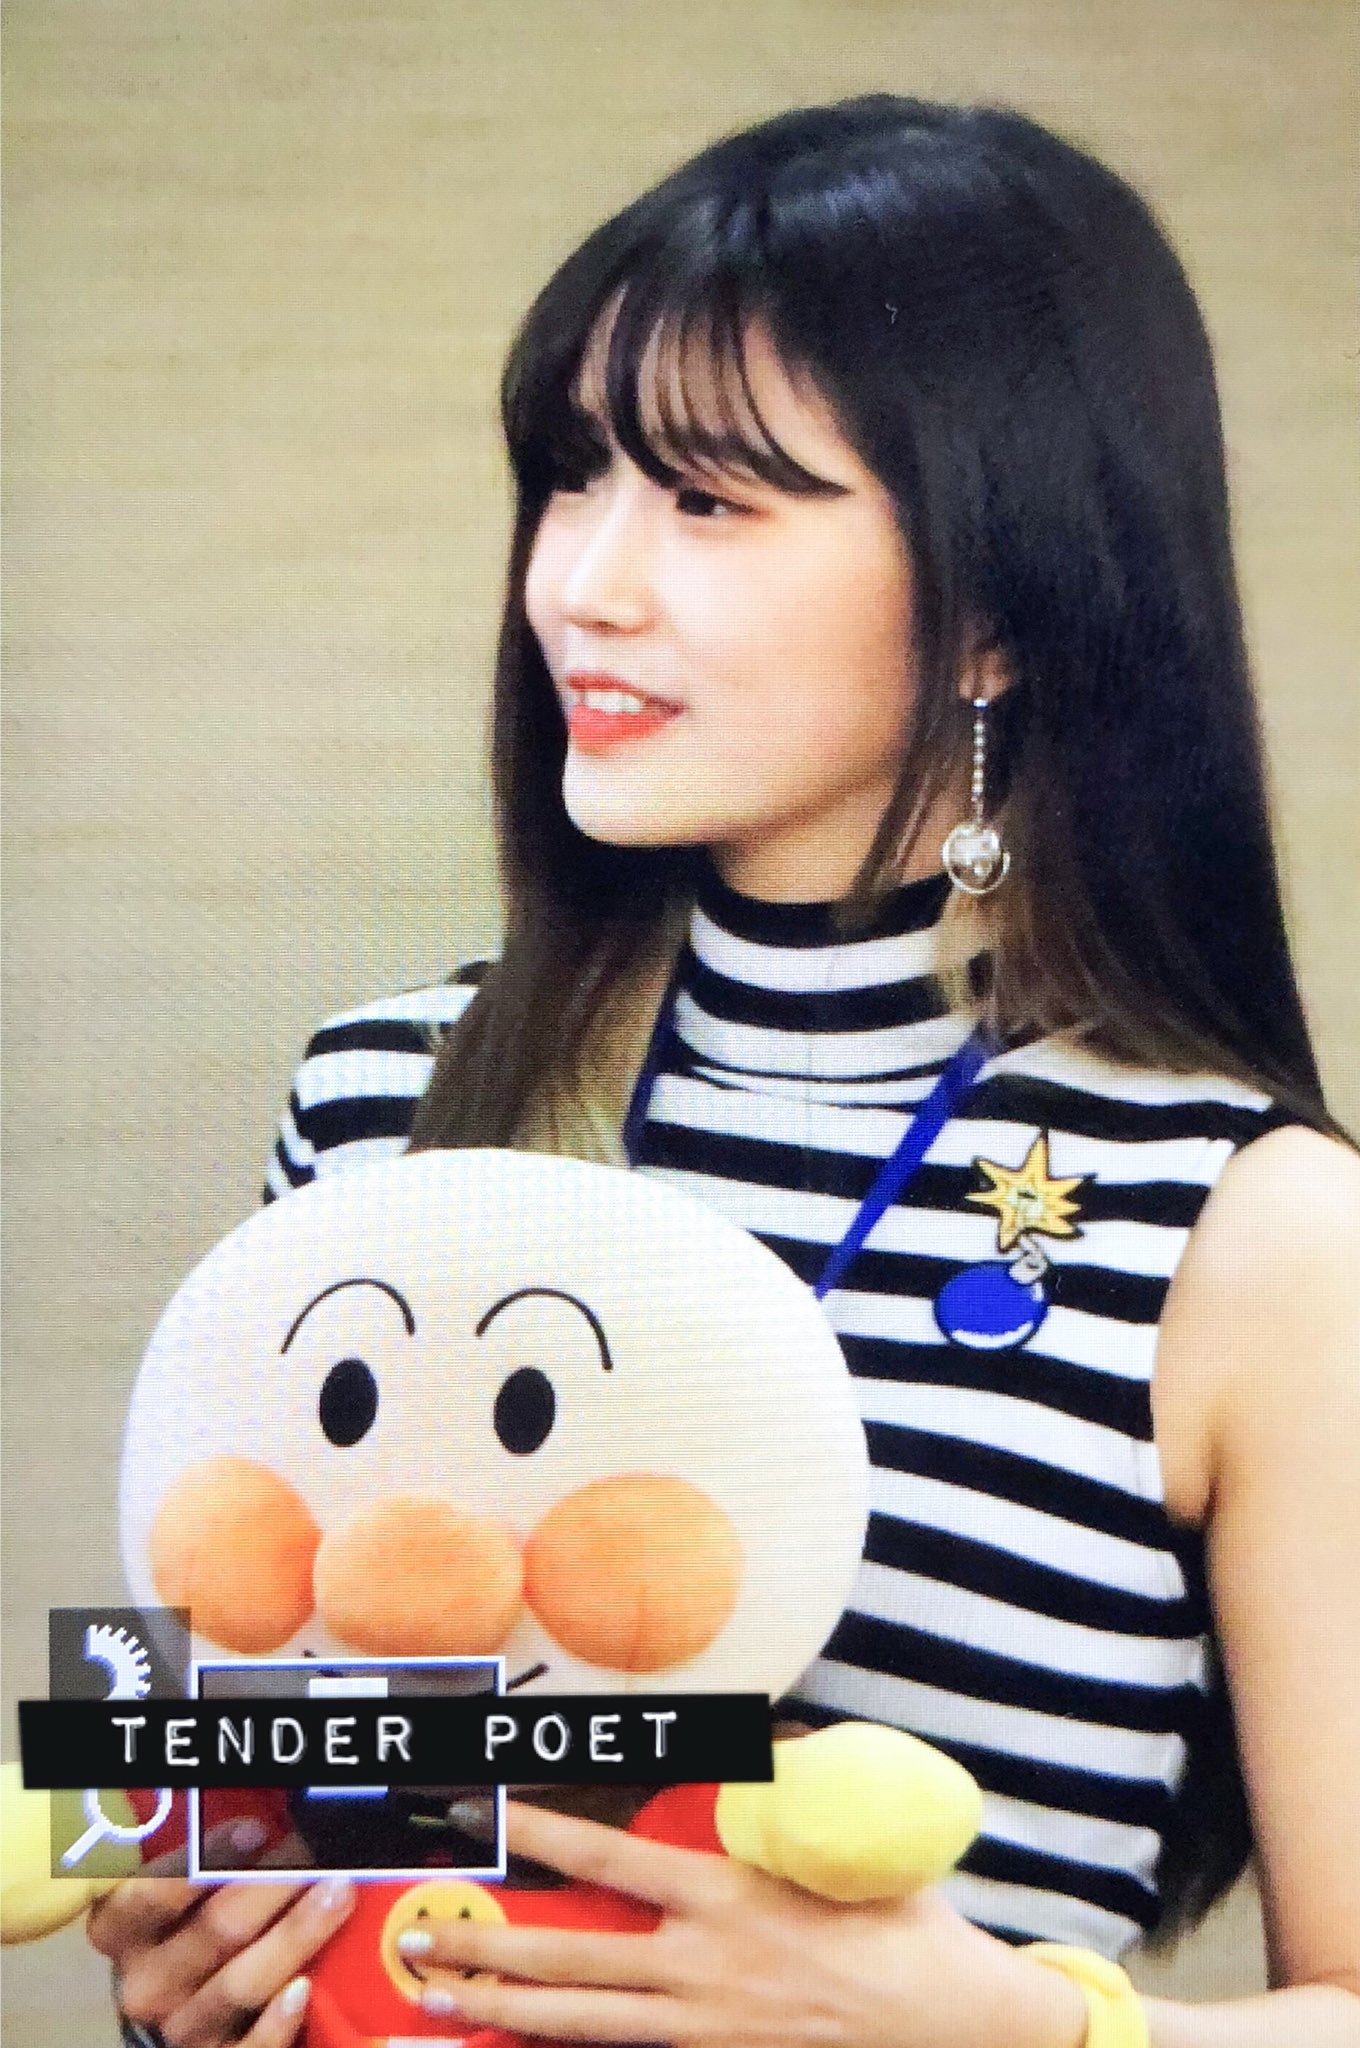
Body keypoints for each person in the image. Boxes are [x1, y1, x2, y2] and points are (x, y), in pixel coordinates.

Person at [91, 94, 1359, 2048]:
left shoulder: (1253, 1232)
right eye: (572, 474)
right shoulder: (382, 1103)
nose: (582, 583)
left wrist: (1018, 2030)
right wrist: (197, 1966)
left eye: (706, 497)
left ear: (1001, 609)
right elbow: (262, 1781)